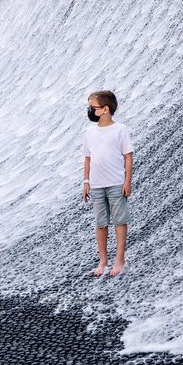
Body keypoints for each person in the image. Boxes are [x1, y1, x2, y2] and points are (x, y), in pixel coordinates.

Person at [82, 89, 133, 277]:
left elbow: (128, 156)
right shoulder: (89, 132)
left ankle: (119, 258)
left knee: (120, 221)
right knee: (100, 223)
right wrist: (86, 181)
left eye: (92, 107)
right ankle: (103, 260)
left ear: (105, 109)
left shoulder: (120, 130)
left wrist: (127, 181)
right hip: (96, 184)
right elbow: (88, 158)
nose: (89, 111)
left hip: (116, 183)